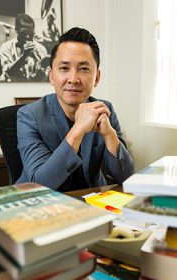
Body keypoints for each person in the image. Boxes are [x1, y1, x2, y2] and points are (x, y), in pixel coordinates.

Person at [16, 27, 134, 191]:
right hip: (41, 205)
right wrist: (78, 129)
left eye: (84, 69)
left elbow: (126, 179)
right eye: (64, 68)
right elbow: (41, 184)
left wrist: (109, 134)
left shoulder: (105, 110)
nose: (73, 79)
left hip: (91, 201)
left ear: (97, 77)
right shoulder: (29, 115)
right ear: (51, 76)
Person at [0, 14, 48, 82]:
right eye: (24, 33)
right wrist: (23, 56)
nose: (28, 37)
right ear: (16, 29)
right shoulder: (6, 47)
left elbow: (43, 77)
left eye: (31, 33)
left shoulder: (41, 49)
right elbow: (9, 73)